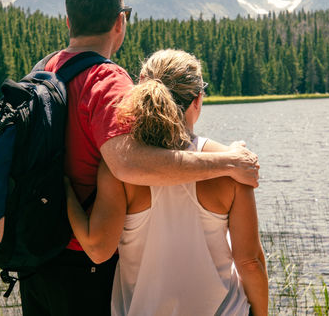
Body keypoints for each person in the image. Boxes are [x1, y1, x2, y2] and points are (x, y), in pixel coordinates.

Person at [18, 0, 259, 315]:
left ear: (68, 21)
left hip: (36, 258)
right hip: (80, 266)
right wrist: (227, 163)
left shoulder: (46, 70)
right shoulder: (106, 78)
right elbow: (128, 163)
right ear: (120, 21)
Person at [65, 49, 268, 315]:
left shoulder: (121, 167)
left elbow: (97, 248)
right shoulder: (232, 163)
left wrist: (65, 190)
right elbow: (250, 262)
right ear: (198, 100)